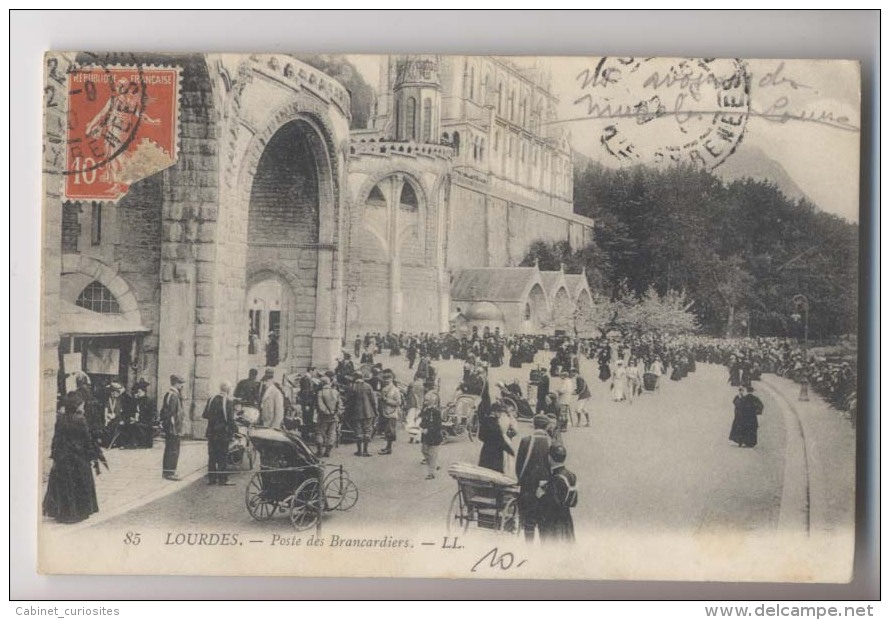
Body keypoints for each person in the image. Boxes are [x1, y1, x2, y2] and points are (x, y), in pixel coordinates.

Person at [43, 392, 107, 523]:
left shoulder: (61, 419)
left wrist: (55, 456)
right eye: (81, 404)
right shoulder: (80, 419)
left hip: (63, 459)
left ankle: (64, 513)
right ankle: (79, 512)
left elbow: (56, 439)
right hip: (78, 458)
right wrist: (92, 457)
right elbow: (87, 440)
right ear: (77, 405)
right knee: (80, 484)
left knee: (65, 486)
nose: (83, 406)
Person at [515, 414, 553, 542]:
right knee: (544, 520)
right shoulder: (551, 442)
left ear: (533, 425)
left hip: (528, 486)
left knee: (529, 520)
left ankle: (529, 548)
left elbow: (518, 466)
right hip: (546, 486)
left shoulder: (526, 441)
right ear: (547, 426)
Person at [539, 444, 578, 543]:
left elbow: (553, 502)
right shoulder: (572, 475)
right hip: (567, 518)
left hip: (554, 521)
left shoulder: (556, 478)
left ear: (550, 458)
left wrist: (541, 494)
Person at [203, 381, 236, 485]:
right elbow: (230, 420)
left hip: (211, 431)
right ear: (228, 390)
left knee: (212, 455)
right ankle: (223, 479)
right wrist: (235, 431)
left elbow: (205, 415)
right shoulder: (228, 402)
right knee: (223, 456)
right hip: (222, 433)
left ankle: (212, 479)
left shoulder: (211, 399)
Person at [160, 374, 186, 481]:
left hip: (171, 427)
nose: (182, 386)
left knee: (169, 449)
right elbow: (172, 414)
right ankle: (170, 472)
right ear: (176, 383)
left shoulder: (169, 394)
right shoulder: (174, 396)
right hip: (174, 428)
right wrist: (174, 428)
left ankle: (167, 472)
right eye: (180, 384)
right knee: (173, 450)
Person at [477, 402, 515, 474]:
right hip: (496, 453)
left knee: (484, 470)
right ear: (494, 412)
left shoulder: (485, 421)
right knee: (495, 472)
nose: (500, 414)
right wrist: (510, 450)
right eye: (499, 412)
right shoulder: (495, 424)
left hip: (486, 449)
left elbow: (480, 436)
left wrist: (487, 441)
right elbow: (500, 440)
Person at [351, 372, 377, 457]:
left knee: (358, 431)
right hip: (368, 412)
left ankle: (359, 451)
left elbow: (349, 401)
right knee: (367, 431)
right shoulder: (368, 386)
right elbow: (373, 400)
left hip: (356, 412)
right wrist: (375, 410)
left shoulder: (353, 387)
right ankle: (365, 451)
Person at [419, 390, 444, 480]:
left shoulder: (436, 412)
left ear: (432, 401)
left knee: (432, 455)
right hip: (426, 436)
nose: (425, 402)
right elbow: (422, 421)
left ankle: (431, 473)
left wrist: (428, 429)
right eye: (425, 400)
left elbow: (438, 426)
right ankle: (434, 465)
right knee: (424, 451)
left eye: (427, 400)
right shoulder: (425, 410)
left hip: (434, 437)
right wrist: (421, 425)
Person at [315, 376, 342, 458]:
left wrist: (327, 412)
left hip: (323, 416)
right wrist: (335, 412)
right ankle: (328, 451)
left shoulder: (320, 392)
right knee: (332, 433)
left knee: (320, 432)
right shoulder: (335, 392)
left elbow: (320, 405)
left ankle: (320, 452)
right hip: (334, 416)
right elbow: (340, 404)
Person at [378, 371, 402, 455]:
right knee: (386, 431)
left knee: (390, 431)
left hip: (392, 413)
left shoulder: (395, 390)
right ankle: (387, 447)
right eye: (385, 379)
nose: (386, 380)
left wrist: (387, 400)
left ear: (392, 379)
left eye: (388, 379)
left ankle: (389, 448)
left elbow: (398, 402)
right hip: (384, 412)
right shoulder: (384, 389)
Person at [405, 376, 425, 444]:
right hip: (420, 406)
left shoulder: (411, 384)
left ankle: (411, 437)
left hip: (412, 405)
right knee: (418, 422)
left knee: (411, 422)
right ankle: (418, 438)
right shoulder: (422, 385)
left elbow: (407, 395)